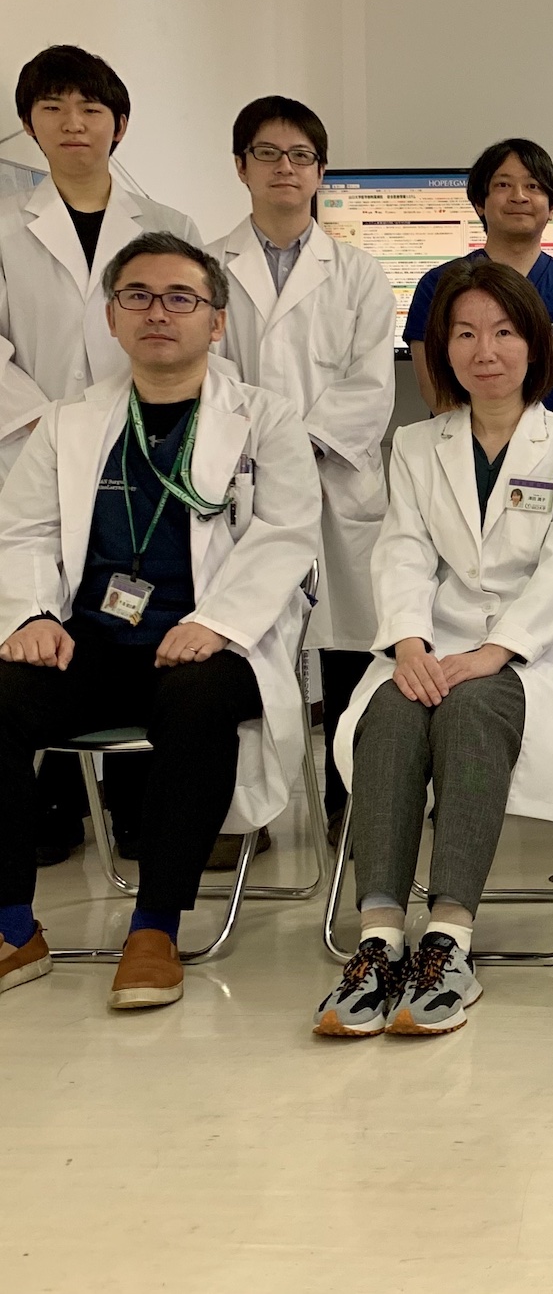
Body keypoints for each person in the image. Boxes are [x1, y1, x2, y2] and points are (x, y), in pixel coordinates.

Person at [0, 232, 318, 1009]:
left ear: (216, 321)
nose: (158, 312)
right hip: (93, 639)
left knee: (197, 700)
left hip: (212, 641)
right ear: (112, 317)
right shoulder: (70, 423)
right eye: (136, 296)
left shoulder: (264, 419)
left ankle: (155, 927)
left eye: (181, 298)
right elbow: (23, 530)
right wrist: (33, 614)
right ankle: (12, 925)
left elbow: (287, 534)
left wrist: (219, 622)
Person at [315, 259, 553, 1037]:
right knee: (392, 710)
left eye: (504, 332)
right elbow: (402, 551)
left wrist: (497, 651)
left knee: (472, 707)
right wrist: (409, 643)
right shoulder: (417, 443)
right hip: (436, 637)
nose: (485, 350)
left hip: (538, 651)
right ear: (442, 349)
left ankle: (449, 940)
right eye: (464, 334)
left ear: (535, 344)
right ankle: (379, 940)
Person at [0, 48, 203, 866]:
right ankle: (51, 810)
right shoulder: (5, 224)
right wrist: (58, 423)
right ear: (29, 124)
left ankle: (134, 808)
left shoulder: (168, 224)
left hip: (147, 445)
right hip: (32, 441)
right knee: (46, 618)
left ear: (119, 123)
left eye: (90, 108)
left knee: (139, 609)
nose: (73, 123)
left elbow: (187, 328)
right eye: (53, 107)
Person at [211, 96, 395, 844]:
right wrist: (264, 448)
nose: (284, 168)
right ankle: (237, 813)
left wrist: (292, 444)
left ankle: (350, 798)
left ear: (320, 172)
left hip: (335, 480)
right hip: (239, 482)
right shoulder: (209, 267)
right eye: (267, 153)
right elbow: (209, 374)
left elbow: (370, 384)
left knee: (349, 647)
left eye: (300, 156)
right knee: (246, 646)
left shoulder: (357, 271)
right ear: (240, 166)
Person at [404, 139, 553, 420]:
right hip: (458, 441)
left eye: (533, 186)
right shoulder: (438, 284)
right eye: (503, 185)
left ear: (552, 206)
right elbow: (433, 382)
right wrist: (477, 440)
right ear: (479, 203)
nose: (519, 197)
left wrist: (549, 438)